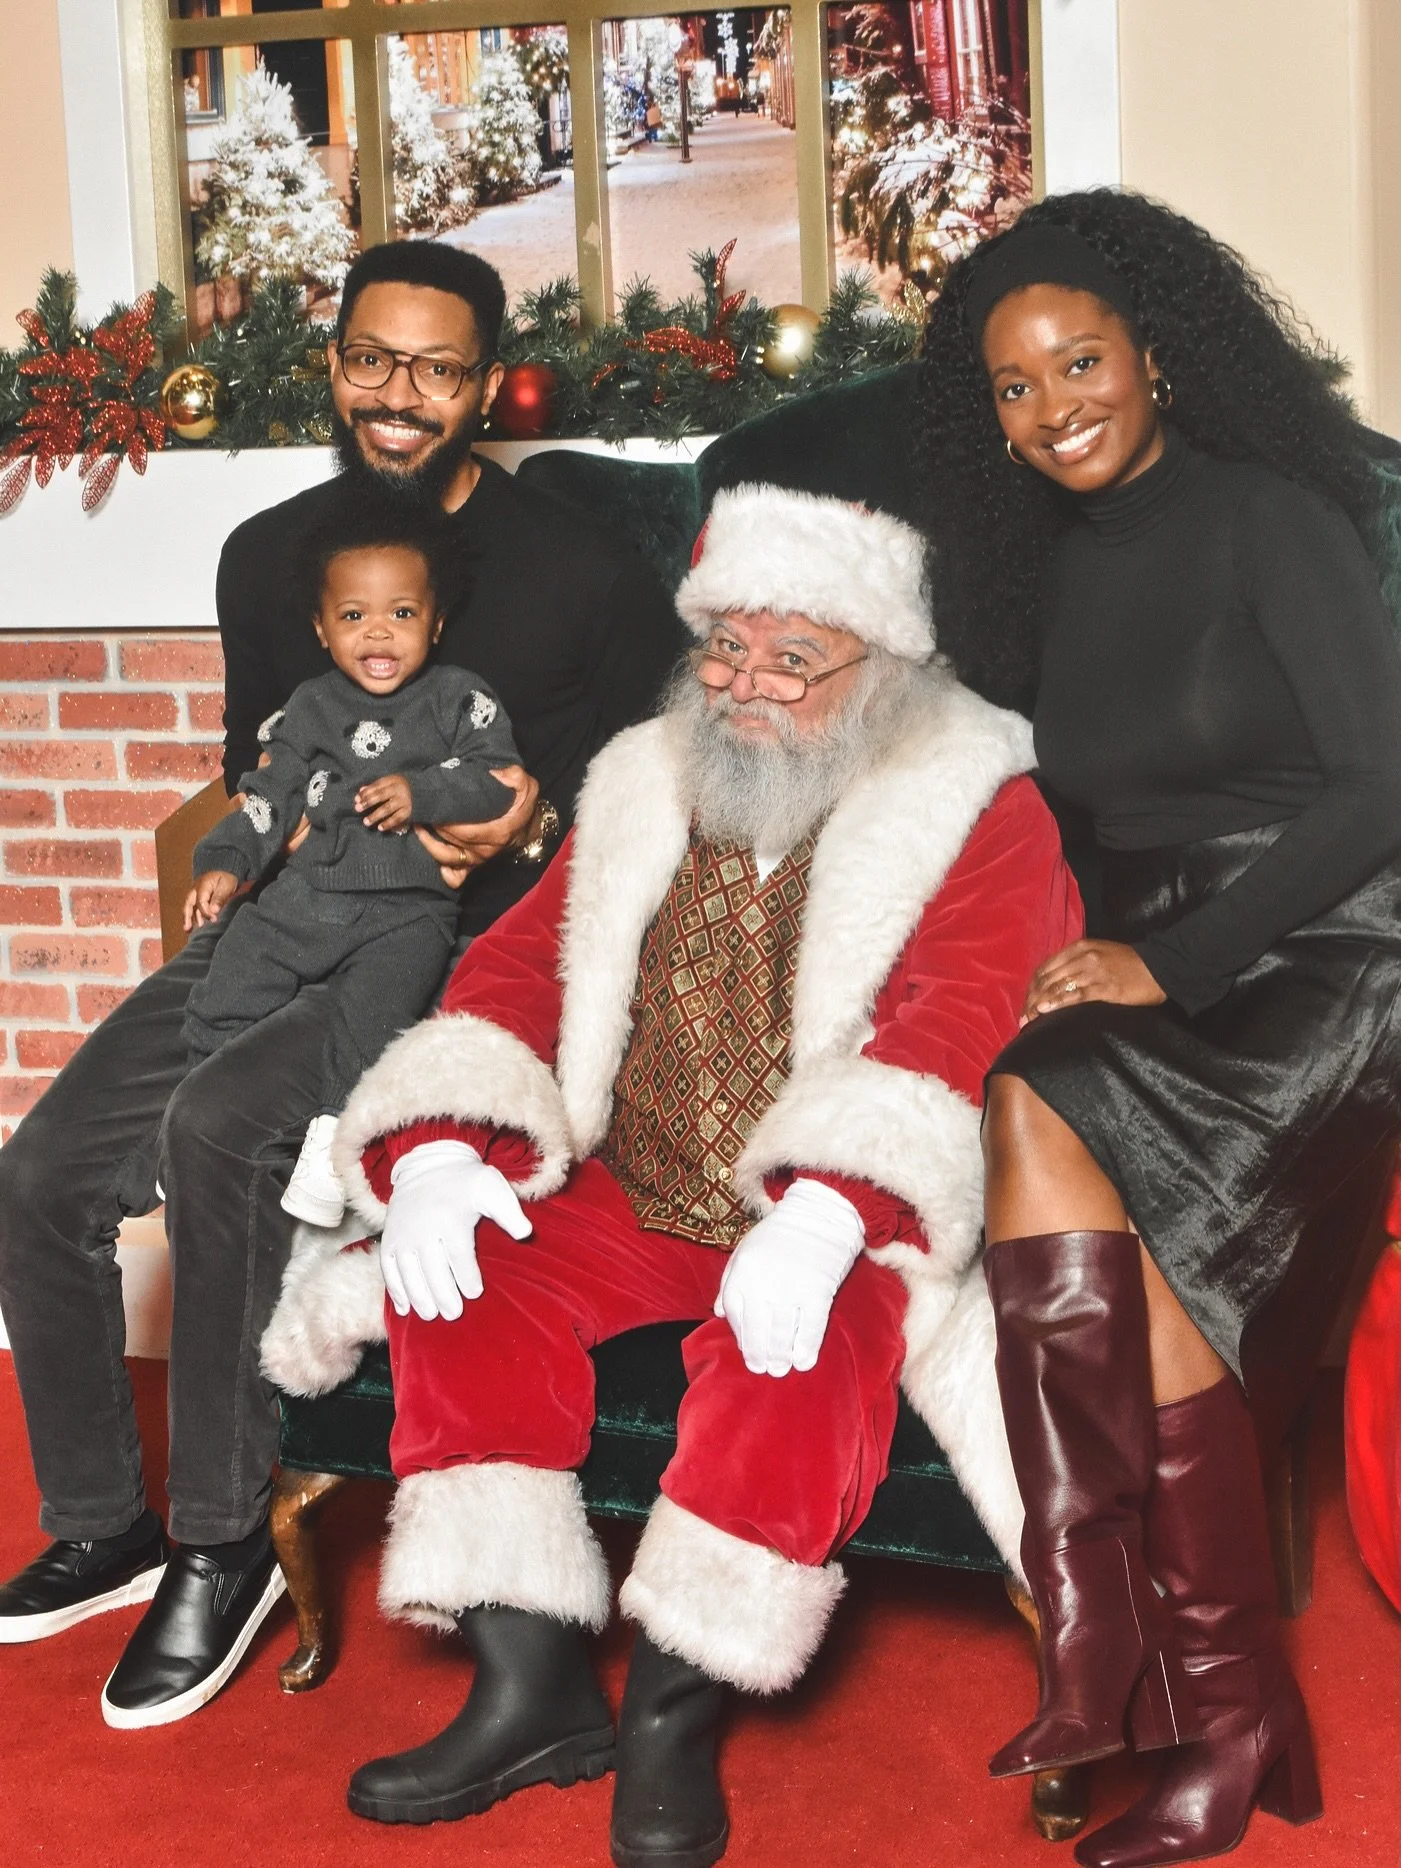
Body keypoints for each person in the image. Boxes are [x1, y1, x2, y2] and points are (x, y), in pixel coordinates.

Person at [261, 483, 1081, 1865]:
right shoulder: (644, 776)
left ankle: (672, 1716)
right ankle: (531, 1689)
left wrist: (832, 1211)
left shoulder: (980, 801)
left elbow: (969, 1016)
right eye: (723, 646)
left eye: (790, 658)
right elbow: (523, 963)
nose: (744, 684)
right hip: (631, 1179)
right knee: (459, 1275)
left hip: (820, 1208)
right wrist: (446, 1143)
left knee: (800, 1350)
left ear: (881, 674)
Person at [0, 240, 682, 1728]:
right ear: (333, 362)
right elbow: (274, 759)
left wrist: (536, 821)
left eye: (438, 370)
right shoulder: (268, 557)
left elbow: (667, 777)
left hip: (465, 959)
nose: (399, 397)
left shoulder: (578, 567)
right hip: (289, 923)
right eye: (373, 359)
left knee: (221, 1124)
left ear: (484, 385)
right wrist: (240, 859)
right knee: (43, 1174)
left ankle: (220, 1542)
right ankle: (106, 1518)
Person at [915, 191, 1401, 1868]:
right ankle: (1128, 1650)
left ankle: (1189, 1701)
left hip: (1338, 949)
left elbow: (1381, 787)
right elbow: (1088, 827)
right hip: (1170, 957)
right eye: (1013, 386)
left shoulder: (1278, 521)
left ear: (1155, 358)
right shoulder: (1034, 576)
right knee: (1030, 1097)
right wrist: (1097, 954)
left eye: (1080, 361)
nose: (1054, 408)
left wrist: (1173, 961)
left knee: (1132, 1202)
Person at [185, 499, 521, 1227]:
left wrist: (424, 791)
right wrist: (225, 860)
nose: (377, 632)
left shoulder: (459, 699)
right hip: (309, 896)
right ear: (322, 629)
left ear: (434, 622)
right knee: (233, 972)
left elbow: (496, 783)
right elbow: (266, 791)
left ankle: (331, 1147)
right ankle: (188, 1113)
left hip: (409, 912)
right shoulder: (309, 706)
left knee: (371, 1026)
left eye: (401, 614)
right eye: (353, 616)